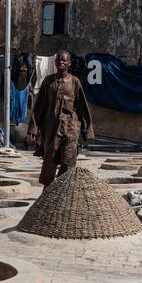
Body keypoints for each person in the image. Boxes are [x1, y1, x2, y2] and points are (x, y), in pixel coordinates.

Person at [31, 50, 93, 184]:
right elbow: (40, 105)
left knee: (68, 161)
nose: (61, 62)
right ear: (55, 63)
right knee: (49, 161)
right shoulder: (48, 81)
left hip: (70, 129)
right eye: (59, 60)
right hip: (51, 129)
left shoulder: (75, 82)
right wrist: (33, 128)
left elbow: (82, 107)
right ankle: (47, 192)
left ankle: (62, 189)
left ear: (69, 63)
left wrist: (87, 131)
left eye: (64, 60)